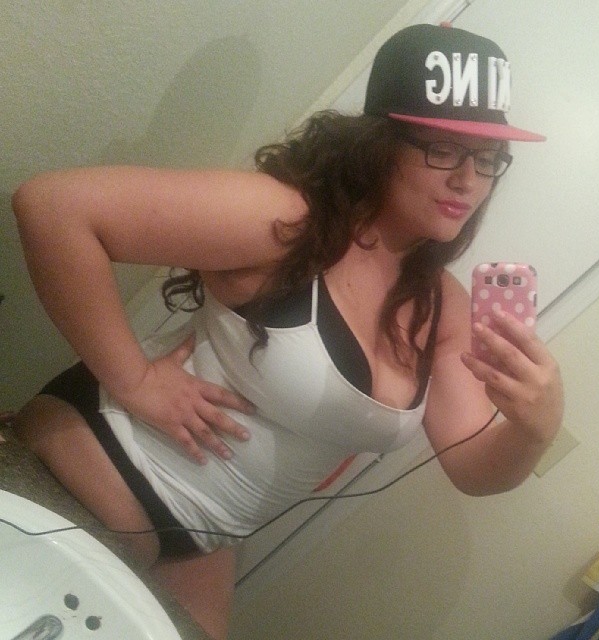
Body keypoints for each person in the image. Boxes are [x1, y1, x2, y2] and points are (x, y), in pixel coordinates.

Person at [12, 23, 563, 639]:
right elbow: (54, 210)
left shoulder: (445, 309)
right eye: (442, 149)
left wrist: (535, 428)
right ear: (381, 143)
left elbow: (474, 470)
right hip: (86, 466)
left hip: (199, 544)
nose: (468, 179)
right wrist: (135, 381)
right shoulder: (295, 221)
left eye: (487, 158)